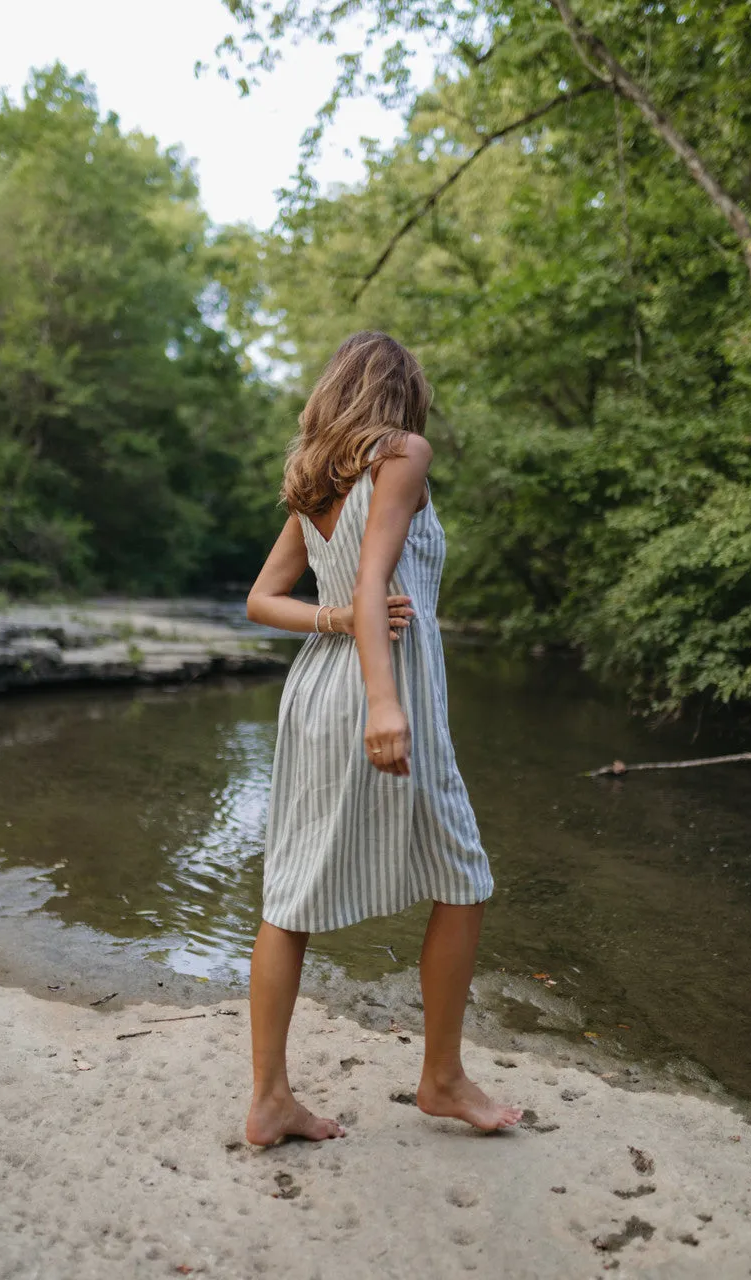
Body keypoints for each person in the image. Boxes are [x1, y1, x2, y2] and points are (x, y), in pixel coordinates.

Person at [245, 331, 523, 1145]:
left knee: (291, 891)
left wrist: (327, 622)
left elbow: (263, 601)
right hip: (381, 686)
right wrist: (383, 704)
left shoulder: (316, 480)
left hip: (317, 692)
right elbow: (371, 582)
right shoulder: (403, 453)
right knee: (462, 875)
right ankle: (439, 1078)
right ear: (399, 392)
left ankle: (269, 1100)